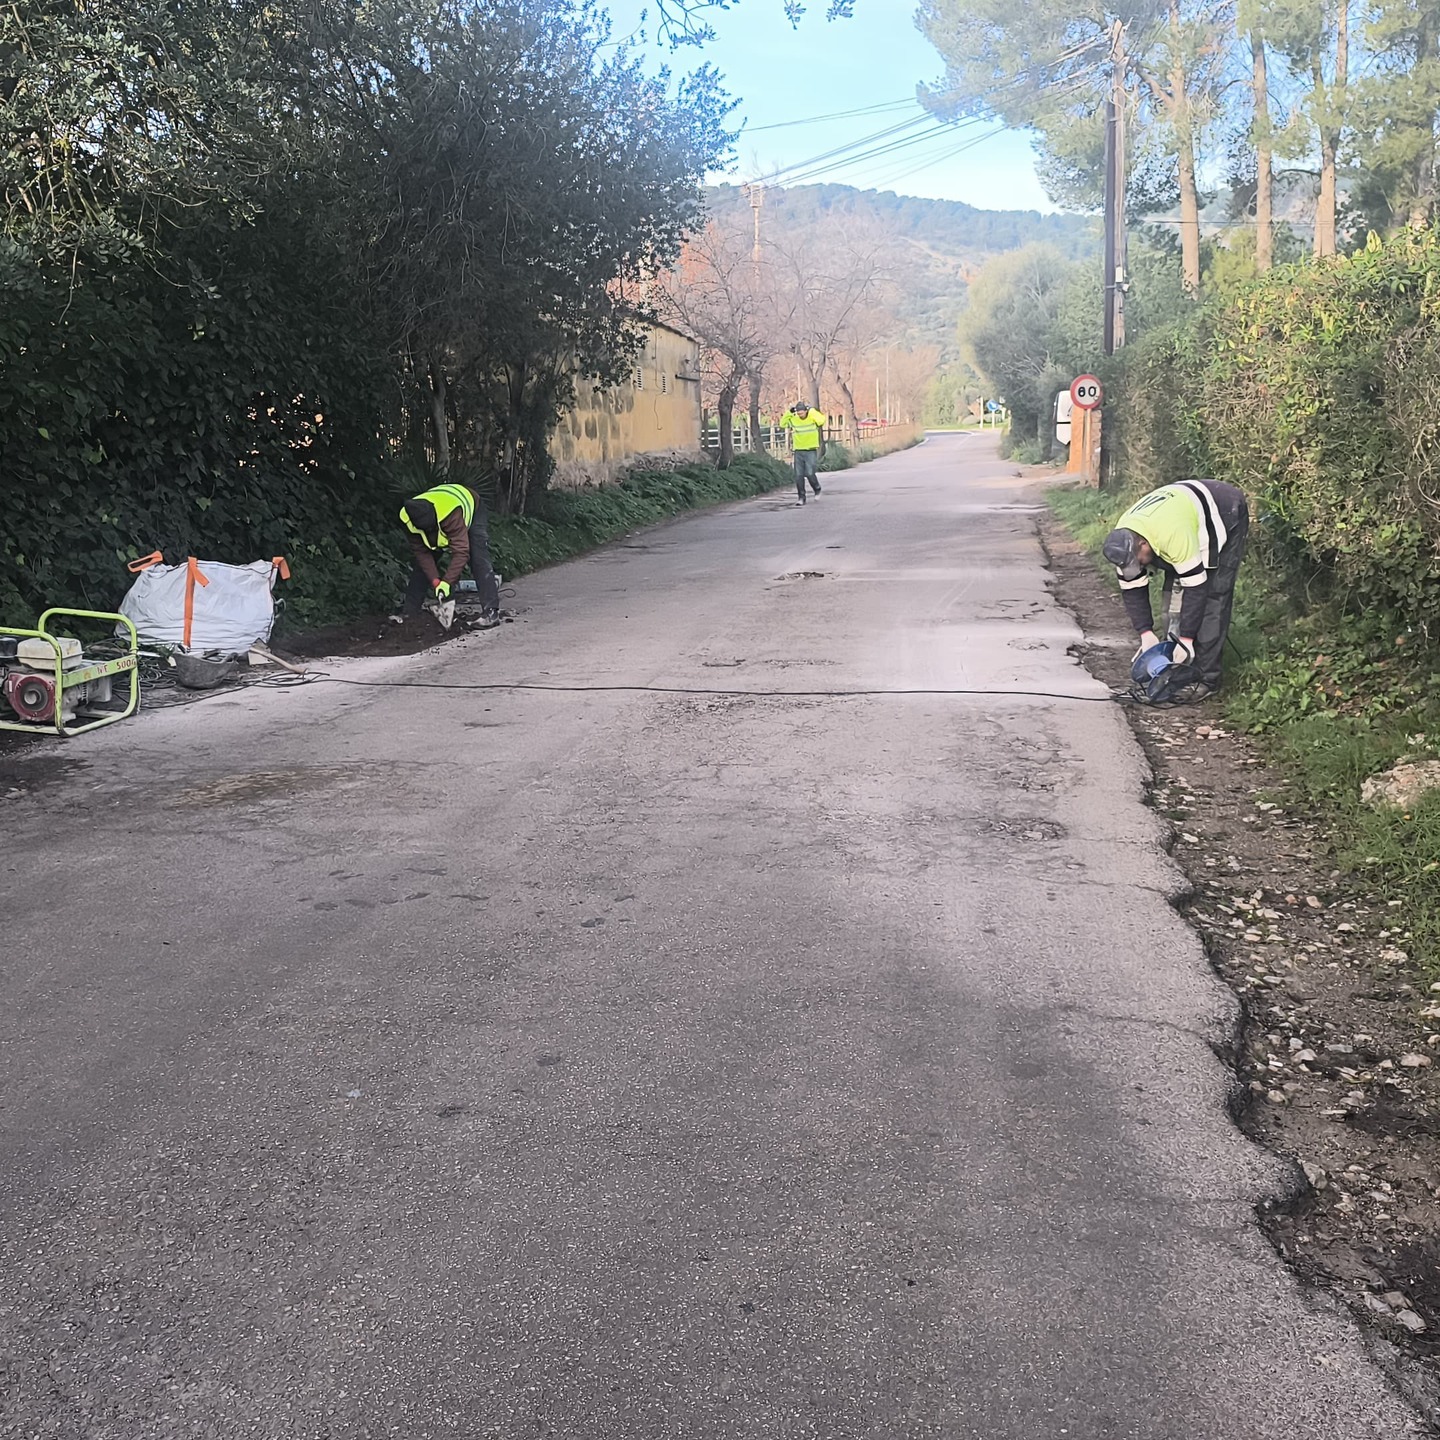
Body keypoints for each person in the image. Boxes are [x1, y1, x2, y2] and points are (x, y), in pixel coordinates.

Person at [1102, 478, 1250, 698]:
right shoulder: (1124, 540)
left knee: (1213, 597)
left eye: (1138, 560)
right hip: (1179, 520)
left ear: (1142, 543)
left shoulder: (1172, 535)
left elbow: (1197, 588)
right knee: (1173, 599)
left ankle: (1207, 678)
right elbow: (1132, 589)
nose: (1139, 566)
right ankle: (1180, 666)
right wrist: (1145, 633)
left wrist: (1187, 639)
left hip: (1223, 509)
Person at [397, 480, 501, 624]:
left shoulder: (450, 514)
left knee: (478, 557)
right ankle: (409, 612)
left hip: (472, 506)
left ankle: (491, 613)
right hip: (442, 509)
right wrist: (435, 581)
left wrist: (446, 582)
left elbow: (462, 552)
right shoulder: (409, 516)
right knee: (421, 565)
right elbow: (422, 553)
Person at [779, 400, 826, 504]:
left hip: (810, 450)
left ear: (806, 411)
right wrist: (789, 412)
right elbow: (782, 424)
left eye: (802, 413)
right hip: (798, 450)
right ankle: (801, 498)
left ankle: (817, 488)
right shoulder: (794, 419)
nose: (800, 415)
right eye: (798, 413)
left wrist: (812, 411)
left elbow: (821, 420)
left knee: (810, 473)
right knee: (798, 476)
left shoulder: (812, 417)